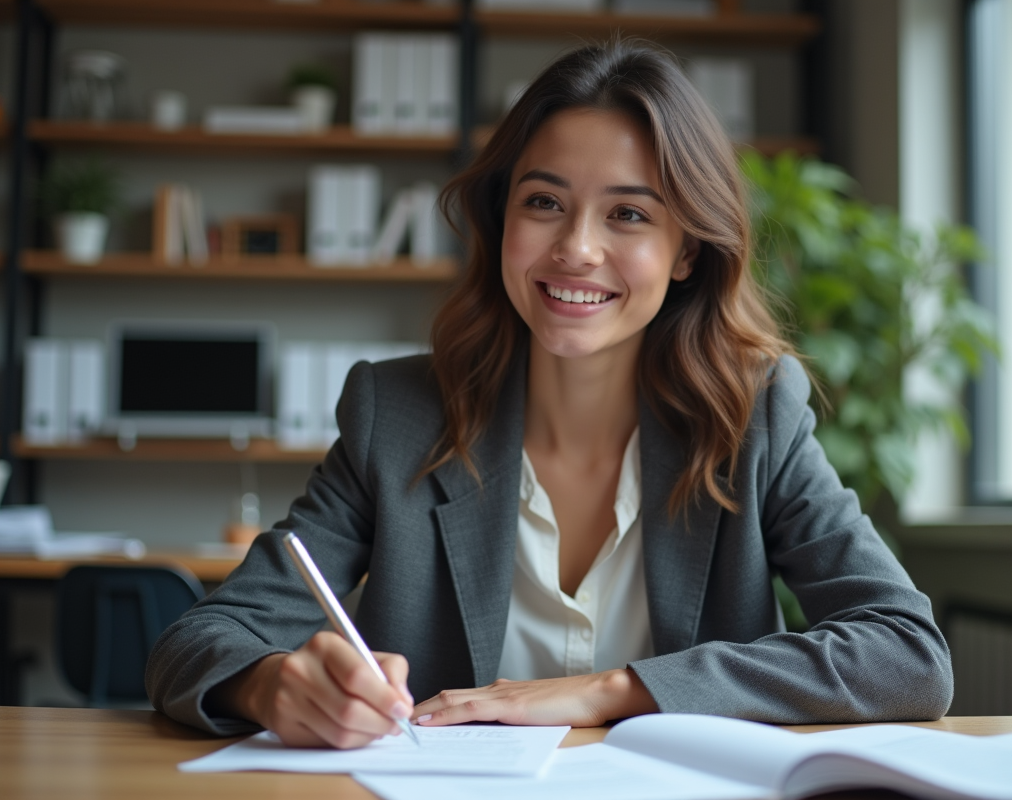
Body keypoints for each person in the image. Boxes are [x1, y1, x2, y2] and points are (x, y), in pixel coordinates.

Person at [146, 39, 952, 748]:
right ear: (502, 222)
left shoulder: (755, 417)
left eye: (629, 214)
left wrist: (613, 691)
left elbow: (907, 655)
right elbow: (199, 640)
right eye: (544, 203)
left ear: (685, 253)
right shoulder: (394, 416)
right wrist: (268, 685)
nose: (575, 248)